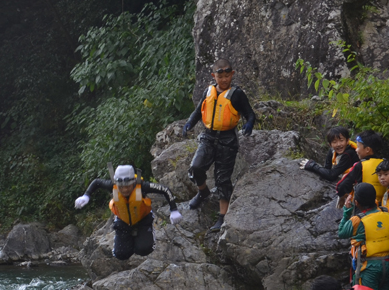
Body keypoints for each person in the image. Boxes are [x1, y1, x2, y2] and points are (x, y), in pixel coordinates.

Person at [181, 58, 256, 232]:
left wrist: (249, 124)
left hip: (227, 139)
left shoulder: (236, 94)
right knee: (196, 167)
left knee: (222, 178)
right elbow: (198, 110)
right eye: (220, 76)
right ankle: (203, 191)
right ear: (213, 76)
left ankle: (222, 217)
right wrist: (189, 124)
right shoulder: (208, 91)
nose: (224, 80)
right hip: (208, 136)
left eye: (227, 75)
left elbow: (249, 114)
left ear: (232, 74)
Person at [75, 164, 182, 260]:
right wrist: (86, 196)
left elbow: (165, 189)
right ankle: (128, 241)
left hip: (143, 219)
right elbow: (96, 182)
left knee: (144, 250)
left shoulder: (142, 187)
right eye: (121, 187)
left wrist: (173, 209)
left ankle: (142, 239)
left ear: (133, 183)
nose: (125, 190)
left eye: (128, 186)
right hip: (123, 221)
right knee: (121, 255)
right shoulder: (112, 186)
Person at [337, 182, 389, 290]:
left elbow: (342, 232)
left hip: (369, 267)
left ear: (356, 202)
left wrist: (347, 211)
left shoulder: (357, 220)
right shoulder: (386, 212)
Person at [335, 130, 387, 205]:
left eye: (358, 147)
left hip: (363, 207)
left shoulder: (360, 165)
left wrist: (343, 195)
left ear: (367, 150)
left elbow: (342, 186)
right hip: (383, 206)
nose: (356, 150)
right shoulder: (385, 163)